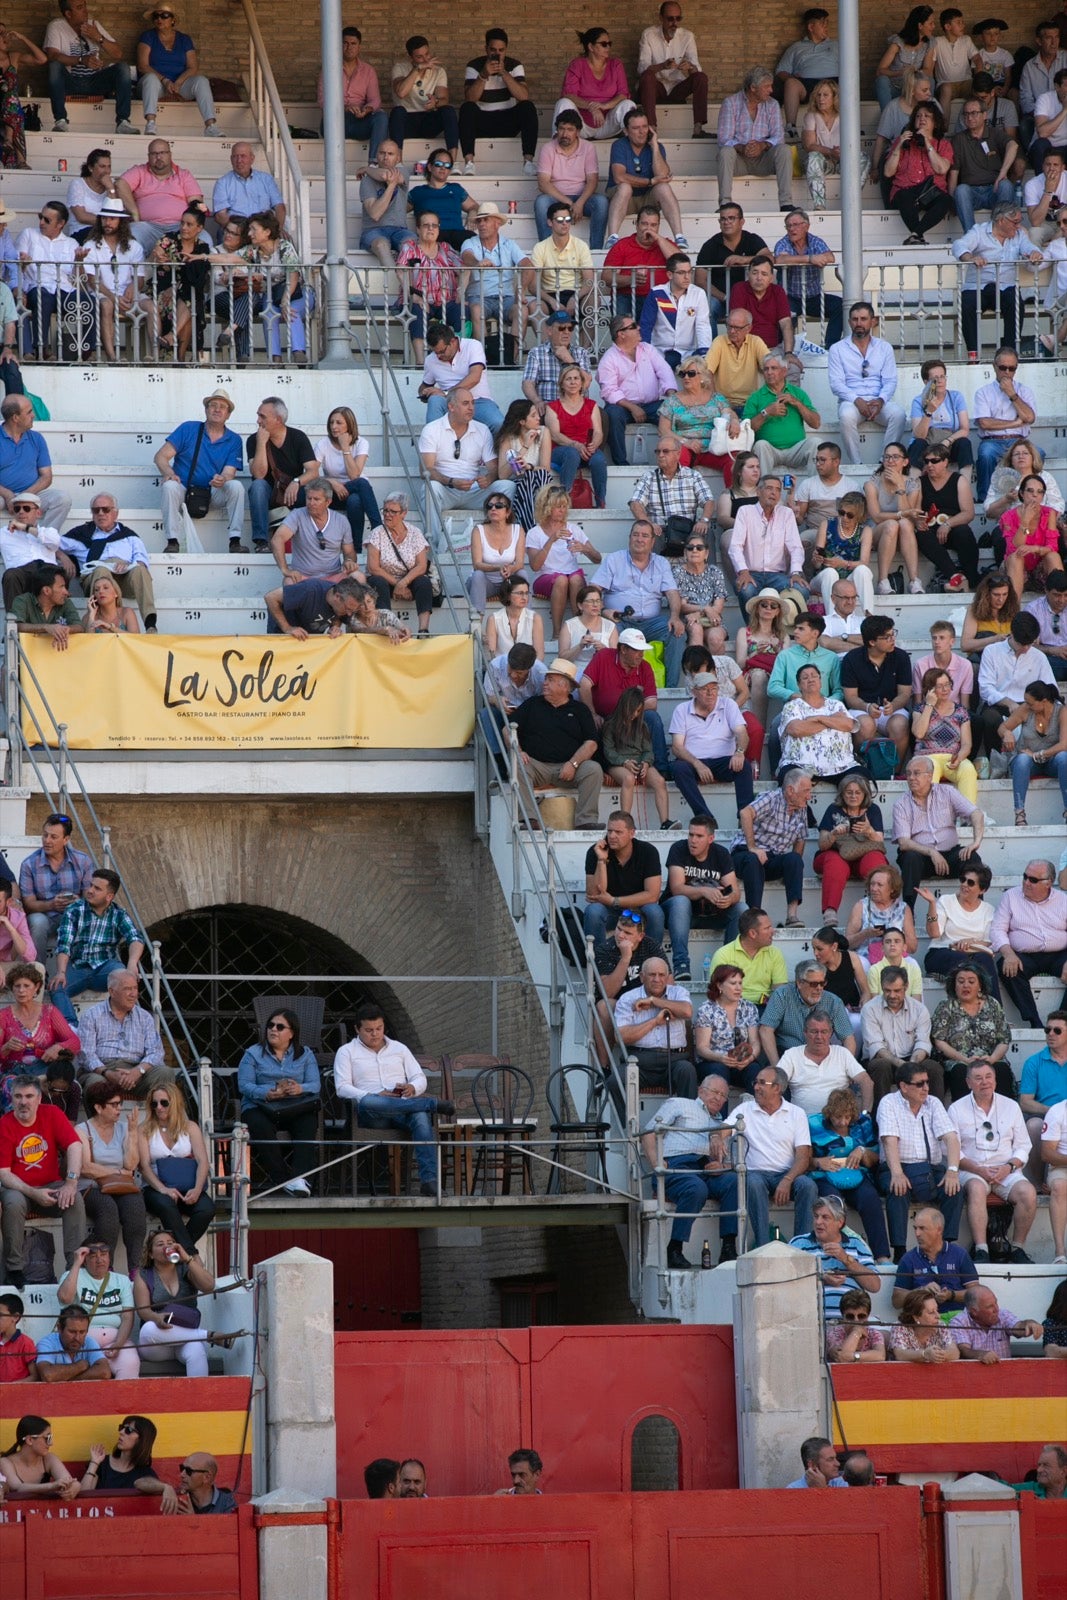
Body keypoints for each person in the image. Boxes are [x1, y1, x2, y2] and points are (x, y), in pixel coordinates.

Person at [334, 1002, 454, 1198]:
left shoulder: (399, 1049)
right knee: (369, 1101)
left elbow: (419, 1077)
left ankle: (429, 1182)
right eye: (369, 1030)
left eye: (379, 1029)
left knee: (421, 1117)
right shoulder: (347, 1052)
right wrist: (372, 1095)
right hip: (371, 1113)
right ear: (357, 1029)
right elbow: (341, 1088)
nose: (375, 1034)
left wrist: (413, 1087)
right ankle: (432, 1104)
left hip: (402, 1109)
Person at [642, 1076, 739, 1269]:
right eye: (715, 1092)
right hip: (676, 1166)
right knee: (696, 1188)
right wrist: (656, 1164)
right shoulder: (680, 1104)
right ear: (701, 1091)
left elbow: (729, 1161)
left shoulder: (722, 1123)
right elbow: (648, 1133)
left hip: (705, 1170)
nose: (719, 1098)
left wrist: (720, 1167)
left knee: (734, 1181)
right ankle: (675, 1248)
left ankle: (728, 1247)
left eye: (723, 1095)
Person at [0, 1077, 85, 1288]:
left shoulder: (52, 1113)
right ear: (11, 1098)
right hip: (19, 1188)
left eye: (29, 1096)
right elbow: (4, 1173)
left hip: (52, 1185)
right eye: (18, 1096)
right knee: (12, 1203)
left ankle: (75, 1267)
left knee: (75, 1200)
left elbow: (75, 1145)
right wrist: (32, 1192)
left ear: (39, 1098)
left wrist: (71, 1183)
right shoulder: (4, 1124)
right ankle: (14, 1269)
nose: (23, 1102)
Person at [951, 1060, 1037, 1262]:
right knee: (976, 1189)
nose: (984, 1082)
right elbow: (952, 1149)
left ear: (995, 1081)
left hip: (1006, 1170)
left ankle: (1017, 1248)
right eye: (978, 1078)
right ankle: (982, 1250)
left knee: (1028, 1193)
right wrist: (978, 1170)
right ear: (968, 1082)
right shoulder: (956, 1109)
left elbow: (1024, 1145)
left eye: (989, 1077)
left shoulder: (1011, 1106)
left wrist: (1009, 1167)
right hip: (972, 1170)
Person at [723, 1065, 818, 1246]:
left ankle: (802, 1245)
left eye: (761, 1083)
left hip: (786, 1173)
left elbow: (803, 1157)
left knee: (808, 1185)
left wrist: (788, 1179)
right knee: (753, 1183)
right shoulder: (745, 1109)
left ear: (777, 1088)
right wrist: (717, 1139)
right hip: (756, 1173)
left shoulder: (796, 1113)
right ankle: (763, 1245)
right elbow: (724, 1131)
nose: (756, 1087)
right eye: (755, 1083)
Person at [237, 1007, 321, 1199]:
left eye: (280, 1027)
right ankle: (283, 1180)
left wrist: (300, 1088)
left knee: (308, 1122)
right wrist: (266, 1093)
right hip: (261, 1106)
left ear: (291, 1033)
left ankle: (300, 1178)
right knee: (258, 1125)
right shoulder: (253, 1054)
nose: (273, 1029)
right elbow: (244, 1085)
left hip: (294, 1106)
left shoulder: (305, 1054)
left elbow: (315, 1085)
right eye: (270, 1025)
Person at [878, 1069, 964, 1254]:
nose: (925, 1088)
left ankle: (947, 1247)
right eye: (919, 1084)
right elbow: (889, 1139)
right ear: (903, 1086)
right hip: (898, 1165)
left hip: (929, 1169)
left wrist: (952, 1170)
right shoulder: (889, 1102)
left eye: (927, 1082)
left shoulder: (933, 1102)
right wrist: (897, 1173)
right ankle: (899, 1251)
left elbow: (951, 1137)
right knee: (897, 1189)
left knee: (955, 1189)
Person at [155, 388, 246, 558]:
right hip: (184, 489)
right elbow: (161, 456)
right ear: (206, 410)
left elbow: (229, 472)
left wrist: (222, 479)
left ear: (228, 415)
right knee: (169, 486)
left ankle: (235, 540)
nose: (217, 409)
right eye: (213, 405)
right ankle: (172, 541)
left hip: (212, 492)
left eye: (222, 407)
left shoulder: (234, 439)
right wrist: (168, 472)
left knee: (236, 486)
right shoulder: (188, 428)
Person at [134, 1229, 238, 1376]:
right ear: (151, 1254)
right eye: (160, 1244)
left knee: (196, 1350)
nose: (166, 1247)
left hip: (185, 1336)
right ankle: (208, 1335)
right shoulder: (144, 1275)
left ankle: (199, 1397)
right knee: (148, 1329)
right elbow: (143, 1311)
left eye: (170, 1243)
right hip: (157, 1343)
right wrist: (157, 1318)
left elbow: (209, 1286)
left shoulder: (185, 1269)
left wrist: (188, 1258)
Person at [49, 868, 143, 1028]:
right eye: (91, 885)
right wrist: (61, 972)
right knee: (56, 987)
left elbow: (135, 938)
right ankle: (72, 1028)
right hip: (78, 967)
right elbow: (64, 943)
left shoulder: (119, 913)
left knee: (123, 977)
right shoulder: (74, 910)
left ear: (109, 896)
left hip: (105, 968)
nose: (90, 891)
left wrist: (132, 963)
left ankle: (124, 1024)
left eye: (97, 888)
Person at [597, 520, 686, 686]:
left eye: (645, 536)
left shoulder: (661, 563)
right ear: (629, 538)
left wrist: (675, 616)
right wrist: (604, 611)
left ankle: (670, 688)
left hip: (652, 623)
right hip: (621, 621)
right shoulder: (613, 560)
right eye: (636, 535)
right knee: (608, 631)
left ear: (652, 542)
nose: (640, 539)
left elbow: (672, 593)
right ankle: (617, 686)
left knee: (677, 631)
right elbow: (593, 589)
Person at [892, 754, 986, 908]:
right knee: (910, 857)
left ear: (929, 776)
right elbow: (904, 843)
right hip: (921, 858)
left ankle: (977, 910)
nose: (911, 777)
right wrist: (931, 852)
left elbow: (976, 813)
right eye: (908, 773)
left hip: (950, 855)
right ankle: (907, 912)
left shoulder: (947, 792)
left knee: (973, 859)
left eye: (916, 773)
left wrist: (976, 842)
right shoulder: (901, 804)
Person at [809, 1089, 890, 1261]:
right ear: (829, 1112)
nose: (842, 1122)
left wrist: (862, 1151)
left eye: (847, 1117)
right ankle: (833, 1253)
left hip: (856, 1173)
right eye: (838, 1117)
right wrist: (817, 1161)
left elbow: (876, 1157)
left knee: (870, 1199)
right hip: (825, 1175)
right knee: (832, 1205)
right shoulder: (814, 1124)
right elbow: (801, 1156)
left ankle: (881, 1256)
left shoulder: (862, 1123)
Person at [953, 203, 1044, 355]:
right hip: (978, 286)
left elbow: (1028, 247)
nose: (1018, 225)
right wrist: (970, 257)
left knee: (1015, 304)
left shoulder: (1019, 234)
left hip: (1006, 287)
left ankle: (1008, 353)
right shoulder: (980, 231)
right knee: (967, 304)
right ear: (1001, 220)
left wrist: (1034, 253)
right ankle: (973, 354)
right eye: (1015, 222)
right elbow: (959, 244)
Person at [75, 1080, 147, 1270]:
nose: (120, 1109)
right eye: (114, 1105)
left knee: (135, 1209)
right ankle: (108, 1270)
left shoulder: (124, 1128)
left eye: (120, 1103)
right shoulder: (82, 1130)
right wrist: (117, 1172)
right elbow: (86, 1167)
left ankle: (135, 1270)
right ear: (98, 1107)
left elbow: (131, 1165)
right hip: (91, 1187)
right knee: (108, 1212)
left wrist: (132, 1132)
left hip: (121, 1185)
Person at [828, 302, 908, 466]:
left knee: (899, 415)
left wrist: (881, 400)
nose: (859, 323)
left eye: (863, 319)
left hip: (877, 401)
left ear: (873, 321)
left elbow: (890, 380)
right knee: (846, 416)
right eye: (855, 319)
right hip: (851, 401)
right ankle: (857, 464)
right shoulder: (837, 349)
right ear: (849, 322)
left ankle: (884, 461)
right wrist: (857, 400)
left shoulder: (884, 347)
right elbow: (836, 384)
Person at [731, 767, 813, 927]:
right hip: (745, 855)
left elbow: (801, 839)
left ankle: (792, 916)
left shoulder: (802, 808)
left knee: (795, 859)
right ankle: (754, 917)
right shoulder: (772, 798)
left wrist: (790, 872)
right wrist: (753, 847)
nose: (809, 796)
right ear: (790, 790)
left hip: (771, 859)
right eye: (806, 791)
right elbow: (745, 813)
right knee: (753, 860)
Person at [664, 818, 742, 985]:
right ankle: (681, 964)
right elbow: (676, 888)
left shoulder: (720, 854)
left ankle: (727, 967)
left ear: (710, 839)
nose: (693, 840)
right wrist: (704, 891)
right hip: (682, 914)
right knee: (680, 901)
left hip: (712, 913)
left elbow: (736, 892)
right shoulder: (678, 848)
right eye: (691, 834)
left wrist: (728, 899)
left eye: (699, 836)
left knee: (742, 908)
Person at [137, 1080, 213, 1252]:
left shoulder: (190, 1127)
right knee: (166, 1205)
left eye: (164, 1103)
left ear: (175, 1103)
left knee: (207, 1209)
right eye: (154, 1103)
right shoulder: (144, 1129)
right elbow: (144, 1166)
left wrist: (197, 1188)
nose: (159, 1108)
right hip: (155, 1187)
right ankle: (190, 1256)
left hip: (188, 1185)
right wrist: (163, 1189)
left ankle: (178, 1252)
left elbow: (203, 1161)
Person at [991, 859, 1067, 1028]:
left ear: (1048, 883)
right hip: (1024, 955)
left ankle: (1062, 1022)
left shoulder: (1063, 900)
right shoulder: (1011, 896)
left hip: (1060, 954)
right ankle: (1034, 1022)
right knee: (1007, 967)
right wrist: (1008, 953)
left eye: (1033, 880)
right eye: (1025, 877)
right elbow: (997, 929)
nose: (1026, 882)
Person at [670, 672, 754, 819]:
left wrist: (739, 752)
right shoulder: (682, 709)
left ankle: (745, 816)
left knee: (744, 766)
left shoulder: (728, 704)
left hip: (723, 761)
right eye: (704, 689)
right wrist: (697, 764)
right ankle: (705, 817)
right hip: (694, 762)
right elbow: (677, 747)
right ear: (694, 691)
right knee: (679, 768)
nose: (710, 693)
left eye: (714, 688)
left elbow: (742, 733)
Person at [44, 0, 134, 135]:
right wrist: (81, 60)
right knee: (54, 66)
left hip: (94, 82)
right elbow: (52, 55)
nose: (85, 10)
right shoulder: (56, 26)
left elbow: (118, 54)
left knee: (123, 68)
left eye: (85, 6)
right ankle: (61, 120)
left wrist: (98, 37)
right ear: (68, 13)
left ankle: (123, 122)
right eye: (80, 8)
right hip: (70, 82)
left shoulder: (93, 25)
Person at [597, 315, 676, 467]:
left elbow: (664, 371)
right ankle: (621, 464)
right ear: (621, 334)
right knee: (612, 414)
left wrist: (672, 395)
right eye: (633, 326)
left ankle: (671, 459)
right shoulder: (609, 358)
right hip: (623, 407)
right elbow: (609, 391)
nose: (639, 328)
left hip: (651, 405)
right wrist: (632, 407)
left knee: (672, 410)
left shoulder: (647, 349)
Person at [420, 388, 511, 521]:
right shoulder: (432, 429)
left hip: (474, 490)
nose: (471, 408)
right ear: (451, 407)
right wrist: (451, 482)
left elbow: (493, 468)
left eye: (472, 403)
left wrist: (488, 479)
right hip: (446, 489)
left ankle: (495, 538)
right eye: (465, 403)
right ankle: (433, 541)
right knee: (430, 488)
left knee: (507, 486)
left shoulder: (482, 429)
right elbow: (425, 470)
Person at [458, 27, 537, 176]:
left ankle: (528, 162)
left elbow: (523, 96)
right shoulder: (474, 65)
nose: (497, 54)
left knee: (528, 106)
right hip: (482, 120)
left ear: (506, 50)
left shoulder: (514, 65)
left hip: (507, 120)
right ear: (486, 49)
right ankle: (469, 163)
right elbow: (470, 98)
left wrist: (504, 73)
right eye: (493, 50)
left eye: (501, 50)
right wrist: (483, 75)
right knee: (466, 108)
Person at [788, 1191, 880, 1319]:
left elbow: (874, 1286)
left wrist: (846, 1259)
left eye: (825, 1217)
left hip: (852, 1320)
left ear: (840, 1222)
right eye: (816, 1216)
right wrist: (821, 1278)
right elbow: (785, 1282)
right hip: (811, 1322)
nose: (818, 1222)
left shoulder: (857, 1244)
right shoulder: (798, 1244)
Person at [526, 485, 601, 639]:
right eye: (557, 506)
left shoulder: (574, 529)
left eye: (564, 506)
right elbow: (535, 566)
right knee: (561, 580)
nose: (562, 510)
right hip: (546, 577)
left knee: (574, 578)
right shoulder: (535, 533)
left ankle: (579, 629)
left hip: (572, 577)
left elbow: (597, 558)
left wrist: (585, 549)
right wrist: (551, 540)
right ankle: (557, 632)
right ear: (547, 507)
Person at [604, 113, 686, 253]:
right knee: (625, 187)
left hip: (647, 199)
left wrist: (654, 146)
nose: (642, 132)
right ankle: (612, 238)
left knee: (663, 187)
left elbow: (663, 176)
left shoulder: (656, 146)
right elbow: (619, 177)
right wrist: (650, 181)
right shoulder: (619, 145)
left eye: (644, 127)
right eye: (636, 128)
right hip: (624, 199)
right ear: (626, 131)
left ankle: (679, 237)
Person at [55, 1242, 138, 1379]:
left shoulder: (121, 1280)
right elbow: (65, 1298)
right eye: (93, 1256)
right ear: (85, 1259)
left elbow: (127, 1317)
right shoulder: (73, 1275)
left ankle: (123, 1401)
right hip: (82, 1340)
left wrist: (118, 1344)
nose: (100, 1260)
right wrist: (76, 1264)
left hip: (115, 1339)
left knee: (131, 1362)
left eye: (104, 1255)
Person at [615, 957, 696, 1096]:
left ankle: (688, 1117)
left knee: (687, 1071)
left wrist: (654, 1001)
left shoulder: (678, 993)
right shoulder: (628, 998)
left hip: (673, 1059)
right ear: (642, 977)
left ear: (667, 977)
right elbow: (621, 1037)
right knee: (615, 1081)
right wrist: (655, 1022)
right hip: (639, 1060)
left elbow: (687, 1012)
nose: (657, 979)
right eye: (652, 975)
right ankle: (623, 1119)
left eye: (661, 975)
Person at [246, 396, 316, 555]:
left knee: (313, 492)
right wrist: (261, 444)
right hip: (268, 494)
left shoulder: (297, 437)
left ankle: (310, 541)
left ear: (278, 419)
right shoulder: (253, 440)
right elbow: (258, 474)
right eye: (258, 415)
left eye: (262, 416)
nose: (258, 421)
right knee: (257, 486)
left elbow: (313, 471)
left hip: (292, 492)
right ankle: (262, 542)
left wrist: (297, 481)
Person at [716, 66, 793, 212]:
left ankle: (786, 203)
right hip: (739, 160)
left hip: (764, 159)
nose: (771, 90)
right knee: (726, 151)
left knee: (784, 149)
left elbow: (779, 136)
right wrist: (741, 147)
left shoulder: (772, 104)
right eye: (767, 86)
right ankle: (725, 204)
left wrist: (763, 145)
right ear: (753, 88)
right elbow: (724, 138)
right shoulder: (730, 103)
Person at [978, 614, 1057, 756]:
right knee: (990, 718)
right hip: (999, 703)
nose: (1026, 648)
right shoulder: (992, 651)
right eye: (1022, 644)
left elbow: (1051, 689)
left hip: (1029, 705)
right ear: (1012, 634)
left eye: (1030, 644)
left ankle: (1032, 758)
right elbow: (985, 688)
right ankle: (995, 761)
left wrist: (1030, 705)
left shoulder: (1039, 657)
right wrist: (1008, 702)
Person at [17, 815, 91, 962]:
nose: (47, 840)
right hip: (44, 915)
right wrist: (51, 904)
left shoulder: (83, 861)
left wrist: (78, 902)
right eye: (45, 835)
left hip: (73, 913)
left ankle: (78, 969)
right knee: (37, 922)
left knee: (84, 916)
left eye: (53, 837)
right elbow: (28, 903)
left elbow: (91, 897)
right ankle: (37, 973)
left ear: (66, 839)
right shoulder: (29, 864)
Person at [727, 475, 808, 610]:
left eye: (777, 490)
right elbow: (735, 546)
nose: (773, 493)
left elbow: (796, 548)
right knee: (746, 590)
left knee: (802, 590)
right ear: (758, 491)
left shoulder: (786, 513)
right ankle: (752, 630)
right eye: (769, 488)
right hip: (752, 573)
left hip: (778, 575)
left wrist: (795, 572)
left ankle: (785, 630)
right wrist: (743, 571)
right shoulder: (745, 511)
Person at [583, 810, 664, 944]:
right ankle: (598, 963)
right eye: (609, 831)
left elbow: (652, 895)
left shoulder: (648, 851)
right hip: (609, 911)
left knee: (654, 912)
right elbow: (594, 894)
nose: (612, 836)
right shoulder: (596, 851)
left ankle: (652, 961)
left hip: (637, 910)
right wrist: (601, 861)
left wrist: (614, 900)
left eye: (618, 832)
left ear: (632, 833)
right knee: (593, 911)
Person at [919, 864, 998, 999]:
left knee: (984, 960)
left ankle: (996, 1013)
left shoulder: (988, 910)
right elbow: (934, 933)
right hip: (942, 952)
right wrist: (932, 904)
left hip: (973, 954)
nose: (964, 884)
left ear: (982, 890)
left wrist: (970, 942)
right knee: (964, 964)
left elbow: (988, 942)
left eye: (971, 882)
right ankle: (962, 1011)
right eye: (963, 879)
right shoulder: (946, 901)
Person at [114, 139, 205, 257]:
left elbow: (196, 201)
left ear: (170, 155)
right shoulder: (139, 171)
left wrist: (195, 209)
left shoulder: (183, 174)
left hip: (179, 226)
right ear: (148, 156)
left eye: (163, 153)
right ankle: (139, 274)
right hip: (148, 226)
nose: (158, 157)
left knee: (204, 238)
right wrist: (134, 212)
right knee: (130, 235)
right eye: (154, 154)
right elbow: (120, 184)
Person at [136, 7, 218, 137]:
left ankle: (211, 126)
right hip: (156, 85)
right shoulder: (148, 36)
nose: (159, 19)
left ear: (173, 19)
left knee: (202, 80)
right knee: (150, 78)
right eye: (156, 16)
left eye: (164, 15)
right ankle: (151, 123)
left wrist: (178, 82)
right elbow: (142, 66)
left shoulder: (184, 39)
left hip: (178, 85)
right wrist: (165, 80)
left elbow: (193, 67)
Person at [972, 348, 1039, 504]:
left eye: (1012, 368)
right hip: (992, 441)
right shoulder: (983, 392)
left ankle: (1030, 496)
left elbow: (1029, 417)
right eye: (1003, 368)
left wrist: (1012, 394)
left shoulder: (1024, 391)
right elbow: (984, 423)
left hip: (1018, 441)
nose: (1007, 372)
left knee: (1038, 454)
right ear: (994, 366)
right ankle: (985, 500)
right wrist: (1015, 422)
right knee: (986, 454)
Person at [534, 111, 608, 249]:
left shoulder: (588, 148)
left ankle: (596, 251)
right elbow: (543, 183)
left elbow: (592, 181)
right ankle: (547, 250)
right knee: (541, 202)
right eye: (561, 128)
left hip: (582, 198)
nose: (565, 134)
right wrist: (568, 202)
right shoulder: (548, 148)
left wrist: (579, 203)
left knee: (601, 202)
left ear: (578, 132)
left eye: (570, 130)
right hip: (556, 198)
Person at [864, 966, 936, 1106]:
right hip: (884, 1059)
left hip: (912, 1058)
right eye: (887, 990)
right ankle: (879, 1120)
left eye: (897, 990)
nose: (892, 995)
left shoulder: (919, 1009)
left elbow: (923, 1043)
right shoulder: (870, 1009)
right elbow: (876, 1047)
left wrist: (912, 1064)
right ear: (881, 987)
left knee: (933, 1067)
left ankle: (933, 1115)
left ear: (906, 987)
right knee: (881, 1066)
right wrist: (902, 1065)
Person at [600, 688, 672, 828]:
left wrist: (646, 763)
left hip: (639, 762)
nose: (634, 714)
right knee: (628, 779)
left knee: (660, 781)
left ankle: (665, 822)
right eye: (633, 710)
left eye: (638, 711)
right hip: (618, 764)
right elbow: (609, 752)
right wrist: (624, 762)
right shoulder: (610, 725)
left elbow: (648, 750)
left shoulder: (642, 725)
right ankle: (624, 822)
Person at [312, 406, 380, 555]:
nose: (334, 427)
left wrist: (345, 448)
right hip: (331, 493)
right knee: (362, 483)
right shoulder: (323, 444)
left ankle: (355, 549)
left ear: (349, 424)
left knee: (356, 499)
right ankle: (378, 529)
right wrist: (332, 482)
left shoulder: (362, 443)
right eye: (331, 423)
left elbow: (354, 475)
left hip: (354, 490)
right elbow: (312, 474)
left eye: (339, 423)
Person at [0, 394, 71, 535]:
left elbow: (46, 477)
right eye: (29, 412)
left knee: (62, 499)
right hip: (2, 495)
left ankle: (43, 540)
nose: (33, 415)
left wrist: (24, 497)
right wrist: (8, 495)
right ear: (15, 418)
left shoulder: (37, 438)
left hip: (32, 493)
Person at [777, 1011, 872, 1117]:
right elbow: (776, 1081)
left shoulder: (842, 1053)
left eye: (824, 1032)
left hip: (838, 1122)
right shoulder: (792, 1054)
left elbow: (866, 1081)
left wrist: (865, 1114)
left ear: (830, 1033)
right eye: (814, 1031)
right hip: (803, 1122)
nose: (819, 1036)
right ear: (805, 1032)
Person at [760, 959, 857, 1063]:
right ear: (799, 983)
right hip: (788, 1057)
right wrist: (777, 1068)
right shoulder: (782, 995)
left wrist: (846, 1067)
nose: (819, 988)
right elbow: (766, 1030)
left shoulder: (833, 1002)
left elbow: (848, 1038)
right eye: (814, 984)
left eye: (822, 983)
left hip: (821, 1059)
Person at [999, 681, 1067, 827]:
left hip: (1052, 761)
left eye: (1030, 703)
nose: (1027, 705)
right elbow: (1003, 726)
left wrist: (1038, 754)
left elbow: (1064, 744)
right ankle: (1019, 813)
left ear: (1043, 701)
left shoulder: (1061, 711)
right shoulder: (1025, 709)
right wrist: (1006, 733)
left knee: (1064, 757)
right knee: (1022, 760)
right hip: (1028, 762)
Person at [743, 352, 821, 480]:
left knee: (816, 443)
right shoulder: (755, 397)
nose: (769, 372)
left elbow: (816, 423)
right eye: (766, 369)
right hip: (770, 451)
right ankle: (764, 489)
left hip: (796, 450)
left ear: (784, 372)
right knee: (760, 445)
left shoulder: (798, 393)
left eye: (774, 368)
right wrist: (766, 412)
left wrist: (796, 403)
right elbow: (747, 429)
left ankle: (814, 493)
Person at [776, 663, 858, 785]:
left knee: (860, 780)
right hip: (800, 764)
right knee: (793, 782)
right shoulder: (792, 706)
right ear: (799, 685)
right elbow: (795, 729)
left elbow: (850, 725)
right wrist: (832, 721)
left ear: (820, 681)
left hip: (842, 765)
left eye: (814, 676)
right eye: (805, 677)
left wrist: (818, 718)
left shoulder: (836, 705)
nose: (810, 679)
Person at [914, 441, 980, 593]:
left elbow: (968, 513)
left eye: (935, 461)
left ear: (945, 462)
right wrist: (919, 521)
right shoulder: (921, 482)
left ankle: (972, 578)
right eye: (927, 461)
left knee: (964, 532)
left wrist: (948, 524)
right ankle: (954, 575)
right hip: (930, 528)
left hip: (953, 527)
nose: (930, 465)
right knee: (921, 533)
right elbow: (916, 510)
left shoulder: (959, 480)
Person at [636, 3, 709, 136]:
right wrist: (662, 66)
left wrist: (690, 67)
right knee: (647, 76)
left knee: (701, 77)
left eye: (678, 19)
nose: (674, 23)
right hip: (656, 89)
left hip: (677, 88)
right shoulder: (648, 34)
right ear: (661, 18)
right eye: (670, 19)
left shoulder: (687, 36)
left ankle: (698, 129)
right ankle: (652, 129)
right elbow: (642, 69)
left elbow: (697, 68)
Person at [554, 27, 637, 142]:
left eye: (609, 43)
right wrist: (591, 107)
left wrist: (604, 106)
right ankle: (556, 143)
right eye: (603, 44)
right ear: (591, 47)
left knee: (628, 104)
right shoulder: (577, 64)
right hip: (580, 125)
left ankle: (633, 143)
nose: (608, 47)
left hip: (607, 123)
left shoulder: (615, 64)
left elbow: (623, 94)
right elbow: (569, 94)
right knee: (563, 102)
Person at [950, 97, 1018, 234]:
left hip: (994, 189)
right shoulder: (958, 139)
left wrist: (1003, 173)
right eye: (966, 114)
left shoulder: (994, 133)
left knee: (1006, 185)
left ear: (984, 115)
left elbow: (1013, 145)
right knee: (961, 189)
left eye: (974, 113)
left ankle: (999, 234)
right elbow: (954, 173)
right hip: (971, 192)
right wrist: (951, 200)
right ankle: (972, 236)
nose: (970, 117)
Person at [912, 666, 978, 804]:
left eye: (947, 684)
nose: (945, 689)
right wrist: (929, 705)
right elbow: (919, 733)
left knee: (968, 769)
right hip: (926, 757)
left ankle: (968, 816)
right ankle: (931, 815)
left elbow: (967, 744)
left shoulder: (961, 711)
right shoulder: (920, 709)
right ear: (930, 689)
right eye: (940, 686)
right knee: (931, 768)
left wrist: (959, 758)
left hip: (952, 758)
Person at [319, 25, 388, 154]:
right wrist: (345, 108)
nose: (349, 47)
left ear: (359, 47)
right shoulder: (328, 69)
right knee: (330, 117)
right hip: (336, 121)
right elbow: (323, 101)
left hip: (360, 120)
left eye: (353, 43)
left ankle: (373, 163)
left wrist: (365, 110)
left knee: (381, 117)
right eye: (345, 43)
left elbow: (375, 101)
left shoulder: (368, 71)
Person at [389, 36, 459, 160]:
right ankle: (397, 161)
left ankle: (452, 161)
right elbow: (401, 92)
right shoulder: (400, 68)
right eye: (419, 57)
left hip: (428, 119)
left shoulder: (439, 71)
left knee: (448, 110)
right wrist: (417, 69)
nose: (426, 59)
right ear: (411, 57)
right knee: (397, 112)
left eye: (427, 54)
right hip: (407, 121)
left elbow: (444, 99)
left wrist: (435, 102)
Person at [639, 255, 712, 368]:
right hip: (659, 352)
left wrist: (704, 352)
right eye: (681, 273)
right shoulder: (656, 293)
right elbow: (646, 325)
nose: (687, 277)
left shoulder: (699, 293)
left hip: (687, 354)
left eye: (689, 272)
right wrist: (645, 354)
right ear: (669, 275)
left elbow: (703, 325)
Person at [1000, 476, 1065, 603]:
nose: (1035, 496)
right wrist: (1025, 521)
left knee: (1053, 556)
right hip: (1016, 567)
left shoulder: (1049, 513)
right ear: (1022, 494)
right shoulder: (1008, 516)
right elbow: (1013, 548)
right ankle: (1013, 612)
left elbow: (1052, 546)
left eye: (1040, 492)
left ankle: (1062, 606)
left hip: (1040, 569)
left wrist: (1035, 548)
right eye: (1030, 491)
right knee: (1015, 558)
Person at [694, 961, 760, 1087]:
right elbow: (702, 1048)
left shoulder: (749, 1008)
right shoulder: (707, 1009)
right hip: (713, 1062)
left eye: (740, 983)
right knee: (719, 1071)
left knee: (754, 1070)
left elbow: (755, 1042)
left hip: (741, 1063)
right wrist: (721, 1058)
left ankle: (753, 1106)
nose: (738, 988)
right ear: (720, 986)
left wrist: (750, 1059)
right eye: (733, 983)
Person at [908, 359, 973, 473]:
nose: (939, 381)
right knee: (917, 444)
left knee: (964, 443)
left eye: (942, 376)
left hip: (949, 442)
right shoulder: (918, 401)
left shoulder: (956, 396)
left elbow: (965, 429)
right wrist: (928, 412)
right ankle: (913, 487)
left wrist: (947, 441)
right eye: (935, 378)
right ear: (926, 381)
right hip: (928, 443)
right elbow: (919, 435)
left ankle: (965, 484)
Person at [811, 926, 873, 1037]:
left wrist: (864, 1005)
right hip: (829, 1013)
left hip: (853, 1010)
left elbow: (865, 991)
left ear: (834, 946)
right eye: (813, 949)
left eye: (819, 949)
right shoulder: (817, 968)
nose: (815, 953)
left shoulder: (851, 957)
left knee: (858, 1022)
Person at [0, 1415, 83, 1497]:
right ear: (30, 1440)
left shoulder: (48, 1458)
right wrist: (52, 1486)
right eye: (47, 1438)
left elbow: (68, 1481)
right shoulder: (6, 1462)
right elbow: (17, 1487)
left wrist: (75, 1485)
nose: (51, 1443)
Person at [729, 257, 794, 353]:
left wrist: (788, 353)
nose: (759, 278)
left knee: (792, 367)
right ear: (748, 274)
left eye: (764, 274)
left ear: (771, 278)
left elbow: (786, 324)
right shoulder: (739, 289)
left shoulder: (778, 292)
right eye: (755, 273)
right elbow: (737, 325)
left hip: (772, 349)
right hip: (745, 350)